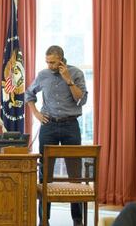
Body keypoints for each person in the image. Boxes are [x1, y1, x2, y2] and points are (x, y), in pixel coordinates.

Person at [25, 45, 88, 226]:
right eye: (47, 62)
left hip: (70, 126)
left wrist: (68, 80)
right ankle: (44, 219)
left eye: (52, 62)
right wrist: (36, 113)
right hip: (49, 125)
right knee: (45, 174)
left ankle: (77, 220)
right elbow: (29, 94)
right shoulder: (43, 75)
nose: (49, 65)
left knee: (75, 175)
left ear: (61, 59)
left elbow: (81, 100)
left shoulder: (76, 73)